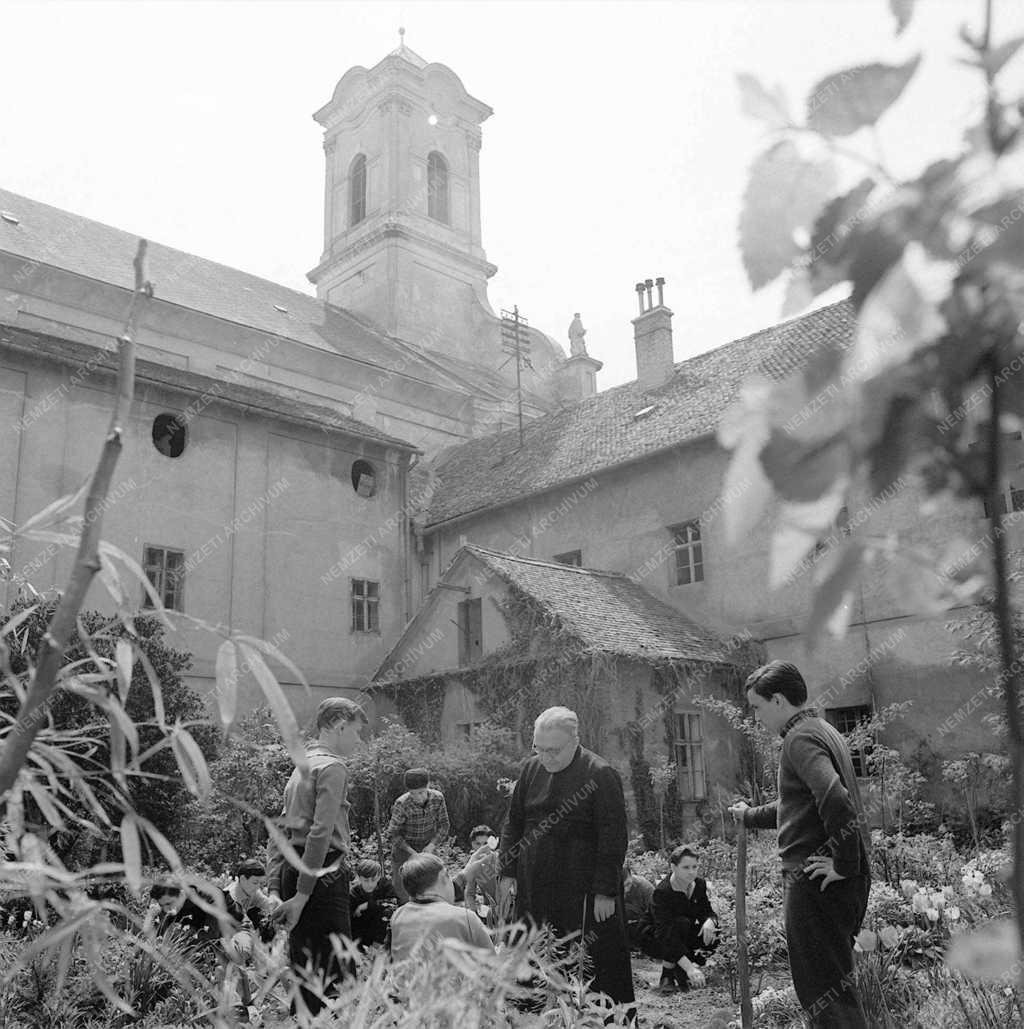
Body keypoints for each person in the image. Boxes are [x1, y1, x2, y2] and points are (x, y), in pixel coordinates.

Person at [729, 661, 871, 1029]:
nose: (757, 718)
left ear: (778, 700)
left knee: (823, 993)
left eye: (757, 707)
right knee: (832, 989)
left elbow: (834, 798)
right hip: (831, 884)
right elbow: (800, 804)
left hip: (816, 884)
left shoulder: (799, 739)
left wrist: (843, 863)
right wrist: (750, 815)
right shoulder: (820, 729)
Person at [498, 706, 634, 1016]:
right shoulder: (531, 770)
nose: (546, 757)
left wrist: (605, 890)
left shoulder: (599, 774)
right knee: (536, 958)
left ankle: (602, 1021)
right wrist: (507, 872)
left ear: (575, 740)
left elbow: (613, 837)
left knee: (591, 961)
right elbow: (513, 823)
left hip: (583, 892)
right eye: (539, 748)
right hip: (536, 889)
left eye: (554, 750)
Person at [267, 697, 367, 1019]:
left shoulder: (302, 766)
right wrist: (303, 893)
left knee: (307, 968)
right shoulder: (333, 767)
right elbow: (321, 833)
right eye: (356, 732)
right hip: (321, 873)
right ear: (339, 725)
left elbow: (279, 831)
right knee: (336, 973)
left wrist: (275, 887)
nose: (358, 740)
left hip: (294, 868)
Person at [389, 852, 494, 963]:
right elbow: (494, 966)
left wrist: (463, 876)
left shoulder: (398, 916)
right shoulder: (465, 918)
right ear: (443, 876)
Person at [651, 845, 719, 994]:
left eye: (695, 867)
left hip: (683, 932)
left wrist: (710, 921)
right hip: (657, 937)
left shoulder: (699, 885)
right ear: (673, 867)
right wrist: (690, 968)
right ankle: (667, 974)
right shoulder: (663, 892)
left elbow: (707, 911)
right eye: (686, 867)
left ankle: (682, 969)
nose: (691, 872)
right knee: (680, 923)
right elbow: (664, 934)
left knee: (714, 931)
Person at [388, 768, 451, 903]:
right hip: (404, 850)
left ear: (428, 787)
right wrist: (412, 852)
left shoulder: (438, 798)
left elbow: (444, 826)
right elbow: (393, 834)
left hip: (428, 847)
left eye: (421, 792)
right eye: (413, 793)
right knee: (403, 891)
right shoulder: (402, 803)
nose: (418, 797)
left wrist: (432, 845)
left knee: (433, 885)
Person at [459, 824, 501, 926]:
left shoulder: (502, 859)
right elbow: (469, 893)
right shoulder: (473, 866)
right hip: (489, 913)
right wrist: (473, 915)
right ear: (472, 845)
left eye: (486, 843)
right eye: (478, 844)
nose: (482, 848)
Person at [350, 859, 396, 949]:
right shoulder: (354, 893)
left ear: (379, 877)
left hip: (382, 931)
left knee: (388, 911)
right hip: (362, 932)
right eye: (366, 880)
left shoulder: (385, 885)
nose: (370, 884)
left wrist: (368, 905)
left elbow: (393, 903)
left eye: (373, 880)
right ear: (359, 878)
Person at [622, 861, 658, 958]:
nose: (626, 889)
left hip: (643, 926)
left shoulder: (645, 887)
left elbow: (657, 913)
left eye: (628, 884)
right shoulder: (609, 893)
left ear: (631, 874)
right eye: (622, 887)